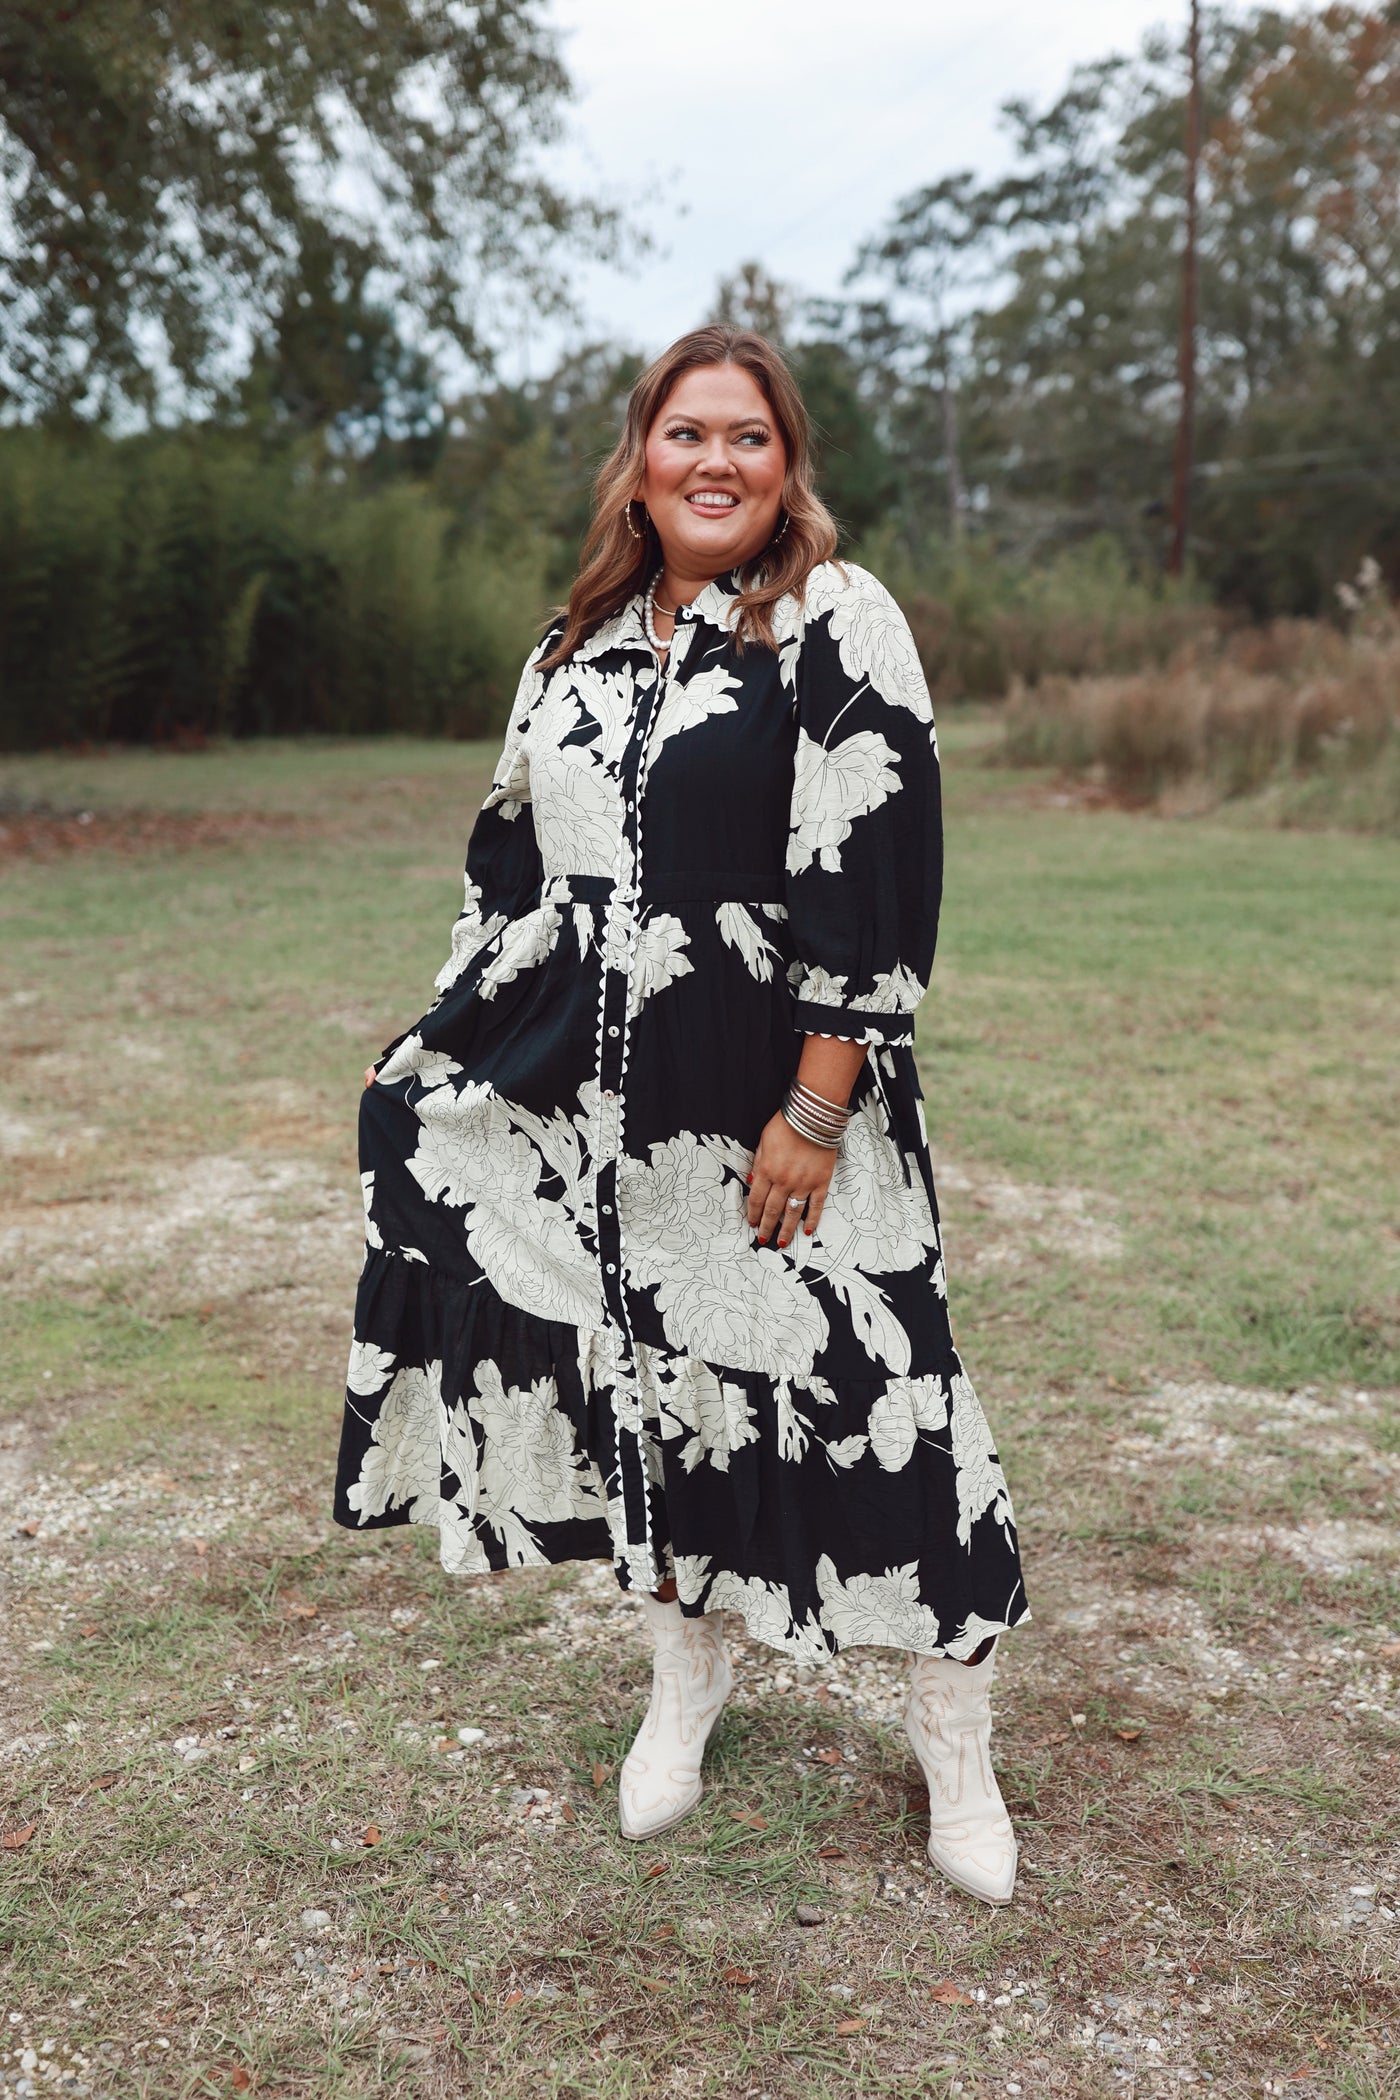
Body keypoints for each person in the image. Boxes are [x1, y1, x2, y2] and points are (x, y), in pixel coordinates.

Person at [335, 325, 1032, 1907]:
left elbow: (876, 874)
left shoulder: (836, 624)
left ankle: (954, 1741)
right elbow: (509, 884)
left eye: (751, 437)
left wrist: (814, 1102)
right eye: (686, 433)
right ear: (639, 460)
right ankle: (685, 1682)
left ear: (788, 467)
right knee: (652, 1396)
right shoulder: (567, 645)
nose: (716, 461)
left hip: (788, 1093)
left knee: (882, 1396)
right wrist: (442, 1048)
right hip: (605, 1110)